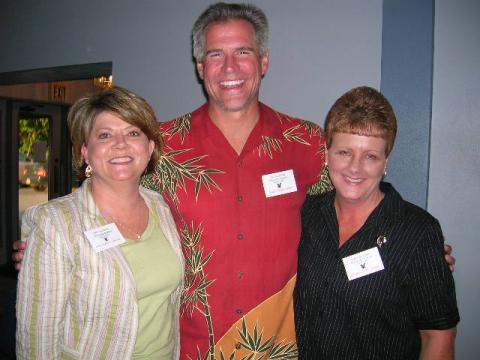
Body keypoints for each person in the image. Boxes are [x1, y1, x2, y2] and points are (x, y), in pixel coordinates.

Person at [13, 3, 456, 359]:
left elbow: (356, 204)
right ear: (199, 66)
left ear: (263, 61)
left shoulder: (305, 142)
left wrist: (411, 250)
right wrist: (51, 245)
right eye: (214, 54)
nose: (230, 66)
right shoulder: (162, 145)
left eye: (242, 51)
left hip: (283, 344)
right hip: (191, 346)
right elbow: (108, 190)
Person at [16, 86, 184, 359]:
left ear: (150, 147)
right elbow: (37, 337)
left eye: (133, 133)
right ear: (85, 152)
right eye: (105, 135)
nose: (120, 144)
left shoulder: (161, 207)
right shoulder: (56, 223)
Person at [294, 86, 459, 359]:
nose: (355, 168)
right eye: (344, 152)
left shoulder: (417, 232)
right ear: (326, 154)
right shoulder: (306, 215)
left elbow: (438, 337)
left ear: (386, 162)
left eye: (370, 156)